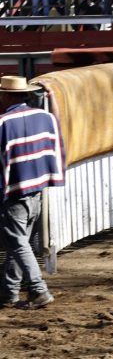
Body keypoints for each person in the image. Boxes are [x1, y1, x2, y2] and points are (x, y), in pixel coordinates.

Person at [0, 76, 66, 309]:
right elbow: (58, 126)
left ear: (7, 96)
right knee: (20, 242)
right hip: (37, 188)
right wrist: (52, 96)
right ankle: (9, 293)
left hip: (15, 191)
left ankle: (38, 290)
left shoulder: (4, 122)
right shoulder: (44, 117)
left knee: (18, 242)